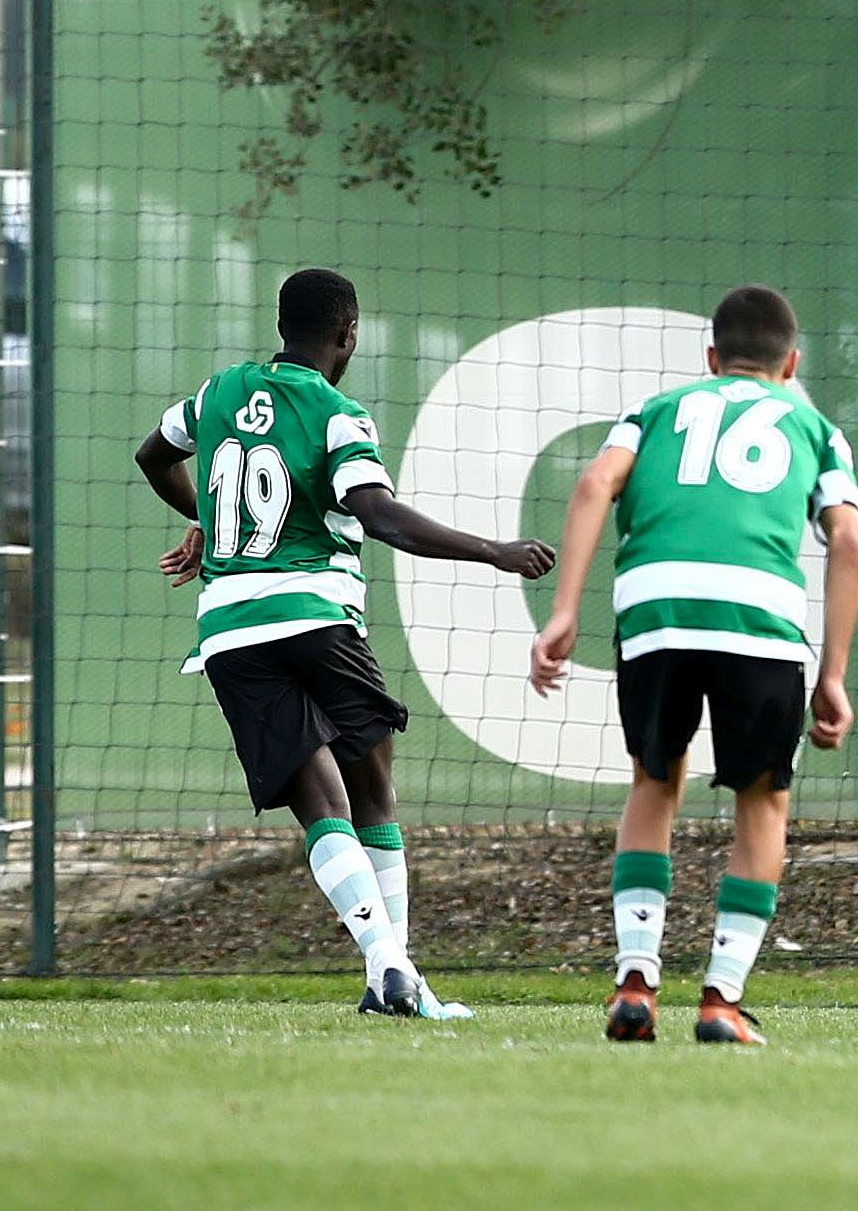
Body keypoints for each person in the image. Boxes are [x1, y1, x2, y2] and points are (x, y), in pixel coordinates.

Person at [134, 267, 555, 1018]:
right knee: (373, 793)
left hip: (231, 630)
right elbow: (380, 516)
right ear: (347, 333)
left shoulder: (218, 392)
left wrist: (210, 521)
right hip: (318, 618)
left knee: (321, 805)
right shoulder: (339, 414)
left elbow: (152, 456)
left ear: (281, 325)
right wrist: (494, 551)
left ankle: (388, 973)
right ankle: (396, 972)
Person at [530, 285, 858, 1046]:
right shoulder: (816, 428)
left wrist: (564, 610)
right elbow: (847, 538)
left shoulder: (654, 411)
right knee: (762, 801)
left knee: (654, 782)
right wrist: (833, 674)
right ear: (792, 365)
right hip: (760, 619)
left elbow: (593, 483)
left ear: (711, 357)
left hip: (657, 607)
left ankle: (634, 985)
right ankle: (720, 1001)